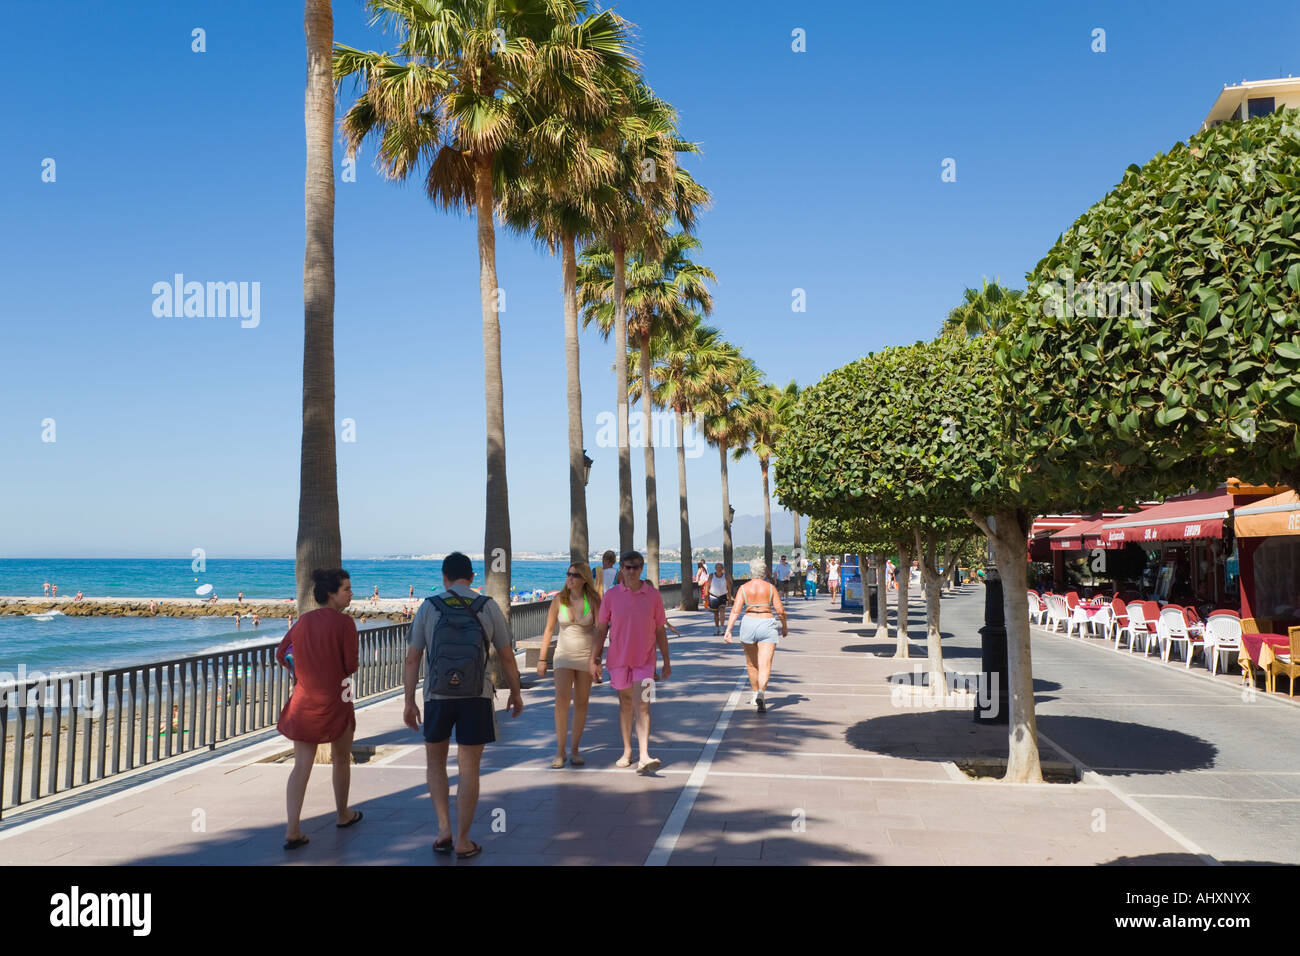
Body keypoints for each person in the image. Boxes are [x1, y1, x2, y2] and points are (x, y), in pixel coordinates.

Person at [403, 552, 523, 860]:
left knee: (436, 764)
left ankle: (444, 829)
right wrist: (515, 692)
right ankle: (463, 840)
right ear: (471, 577)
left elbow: (413, 658)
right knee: (469, 769)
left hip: (436, 697)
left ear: (445, 577)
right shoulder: (487, 606)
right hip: (476, 696)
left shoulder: (429, 607)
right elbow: (507, 656)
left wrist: (409, 702)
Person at [275, 568, 362, 850]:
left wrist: (299, 672)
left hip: (304, 701)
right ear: (331, 594)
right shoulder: (345, 624)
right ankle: (343, 813)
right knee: (341, 758)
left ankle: (292, 828)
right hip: (337, 699)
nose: (351, 593)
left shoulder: (303, 621)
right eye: (346, 589)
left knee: (301, 765)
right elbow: (350, 665)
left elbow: (281, 652)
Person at [589, 550, 671, 774]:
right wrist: (594, 658)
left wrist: (666, 659)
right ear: (621, 570)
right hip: (618, 661)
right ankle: (627, 751)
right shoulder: (611, 596)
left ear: (641, 569)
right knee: (625, 704)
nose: (632, 571)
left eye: (636, 567)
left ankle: (644, 755)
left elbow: (660, 630)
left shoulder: (653, 595)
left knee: (643, 706)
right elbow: (601, 629)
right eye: (628, 567)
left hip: (646, 662)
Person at [537, 564, 600, 768]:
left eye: (575, 575)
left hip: (585, 655)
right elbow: (548, 630)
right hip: (563, 655)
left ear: (584, 579)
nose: (570, 578)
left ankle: (574, 749)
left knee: (581, 702)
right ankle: (560, 750)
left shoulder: (593, 601)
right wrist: (542, 659)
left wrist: (597, 660)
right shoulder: (558, 600)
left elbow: (600, 631)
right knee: (561, 700)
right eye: (568, 574)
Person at [723, 559, 788, 712]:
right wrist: (784, 627)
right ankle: (761, 692)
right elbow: (780, 610)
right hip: (766, 622)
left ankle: (754, 695)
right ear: (765, 572)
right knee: (765, 664)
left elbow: (735, 611)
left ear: (751, 571)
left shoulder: (744, 588)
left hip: (749, 622)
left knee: (752, 664)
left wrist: (728, 630)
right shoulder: (771, 588)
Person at [706, 562, 731, 635]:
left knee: (722, 612)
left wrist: (729, 597)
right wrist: (706, 597)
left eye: (720, 568)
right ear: (715, 569)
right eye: (717, 568)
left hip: (723, 596)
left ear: (722, 569)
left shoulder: (725, 576)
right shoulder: (711, 575)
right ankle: (716, 628)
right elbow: (707, 586)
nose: (719, 569)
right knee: (716, 614)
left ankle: (722, 628)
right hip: (713, 597)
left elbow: (729, 587)